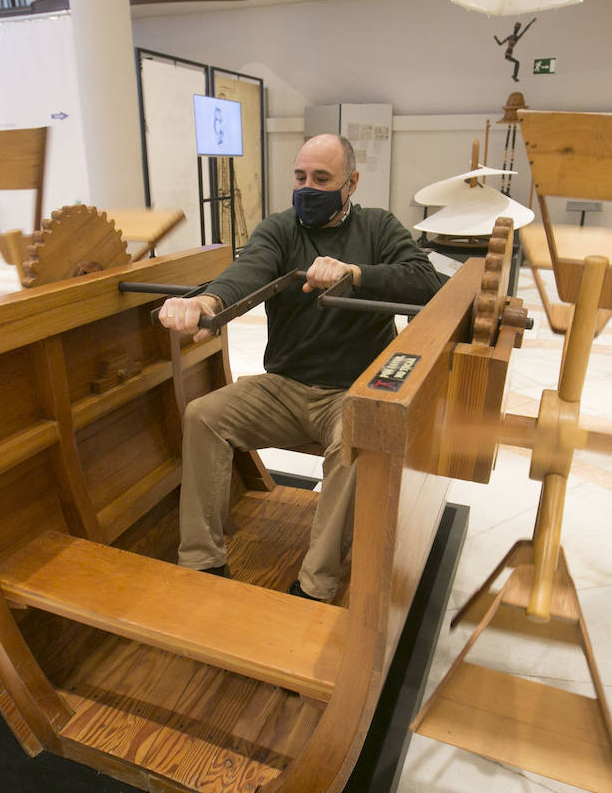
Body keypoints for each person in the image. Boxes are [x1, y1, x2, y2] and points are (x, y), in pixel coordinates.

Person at [157, 134, 441, 602]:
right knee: (204, 415)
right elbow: (248, 270)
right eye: (301, 176)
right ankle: (201, 561)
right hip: (284, 386)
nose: (308, 187)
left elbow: (425, 282)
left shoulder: (378, 226)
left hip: (352, 390)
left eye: (322, 179)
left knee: (355, 441)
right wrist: (207, 300)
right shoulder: (280, 229)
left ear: (350, 183)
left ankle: (317, 585)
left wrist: (355, 273)